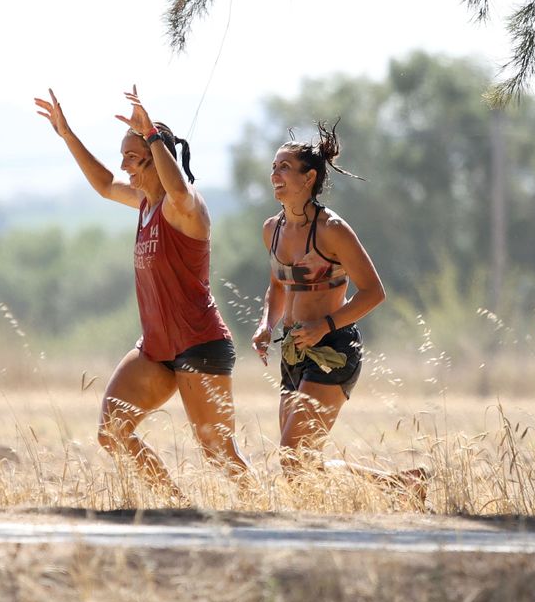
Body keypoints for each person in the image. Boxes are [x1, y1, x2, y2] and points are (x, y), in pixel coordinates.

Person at [35, 86, 250, 501]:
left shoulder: (184, 207)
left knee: (218, 452)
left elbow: (180, 191)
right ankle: (176, 508)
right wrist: (66, 133)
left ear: (157, 157)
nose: (125, 166)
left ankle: (269, 516)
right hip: (155, 347)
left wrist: (150, 131)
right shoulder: (144, 203)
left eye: (133, 158)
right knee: (113, 431)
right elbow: (103, 184)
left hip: (199, 344)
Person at [250, 123, 425, 500]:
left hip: (333, 347)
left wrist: (323, 325)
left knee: (295, 458)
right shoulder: (272, 229)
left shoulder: (332, 230)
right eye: (273, 167)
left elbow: (374, 292)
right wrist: (267, 325)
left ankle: (396, 489)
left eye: (284, 168)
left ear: (308, 177)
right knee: (298, 465)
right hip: (294, 350)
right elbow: (278, 286)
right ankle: (402, 485)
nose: (274, 175)